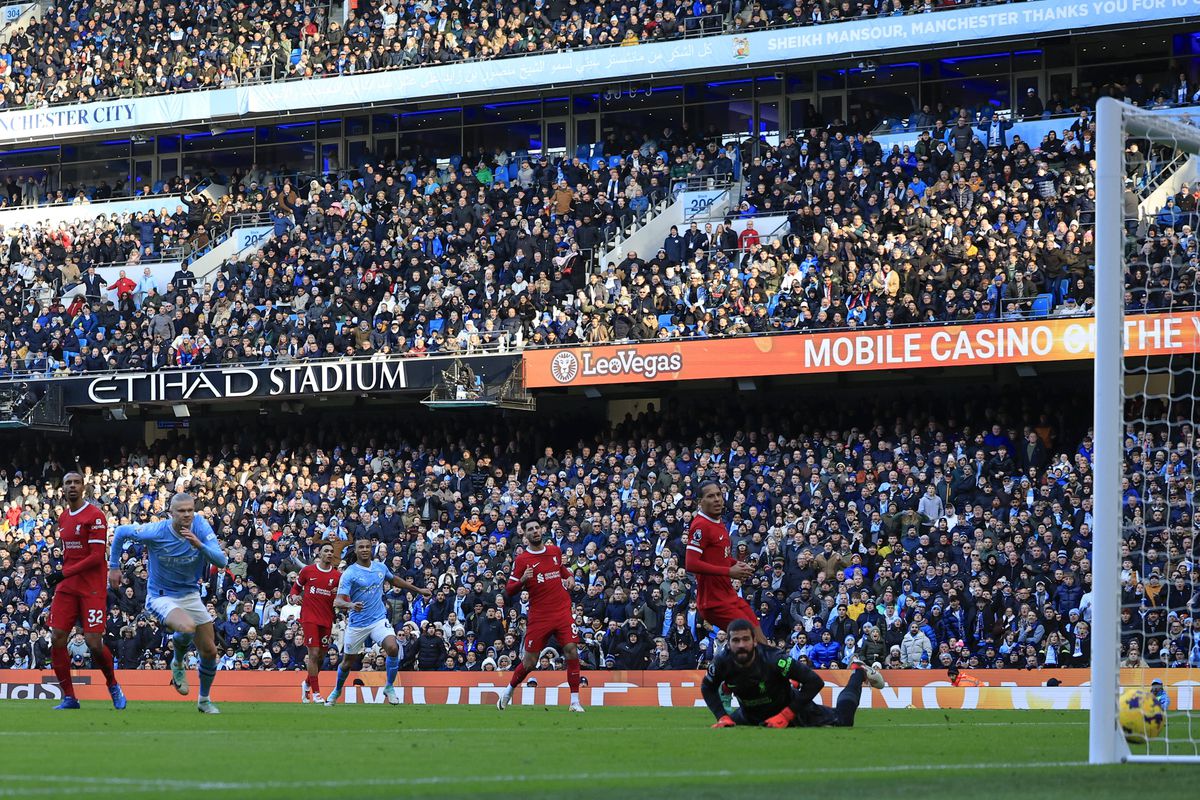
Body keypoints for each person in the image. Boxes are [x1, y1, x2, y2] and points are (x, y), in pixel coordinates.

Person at [107, 492, 228, 714]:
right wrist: (114, 566)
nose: (186, 515)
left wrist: (199, 544)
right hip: (161, 595)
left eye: (190, 510)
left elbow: (221, 561)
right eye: (181, 511)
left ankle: (203, 700)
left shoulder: (200, 526)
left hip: (190, 594)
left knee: (210, 651)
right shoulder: (156, 531)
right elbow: (121, 532)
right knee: (187, 626)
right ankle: (178, 663)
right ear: (171, 513)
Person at [701, 618, 885, 728]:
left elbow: (814, 682)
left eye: (745, 639)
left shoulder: (774, 658)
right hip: (750, 715)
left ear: (755, 641)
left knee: (844, 721)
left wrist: (785, 716)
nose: (741, 645)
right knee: (729, 726)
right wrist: (722, 716)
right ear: (729, 642)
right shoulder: (721, 661)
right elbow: (707, 687)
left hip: (793, 711)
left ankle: (857, 672)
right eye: (736, 640)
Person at [47, 471, 125, 710]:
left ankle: (112, 684)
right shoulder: (63, 518)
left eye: (76, 482)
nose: (72, 486)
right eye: (68, 483)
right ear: (63, 489)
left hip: (91, 587)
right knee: (56, 637)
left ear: (84, 487)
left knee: (93, 642)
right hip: (68, 587)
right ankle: (70, 697)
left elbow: (94, 558)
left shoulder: (95, 516)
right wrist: (64, 575)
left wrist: (63, 572)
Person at [325, 535, 430, 706]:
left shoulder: (380, 567)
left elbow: (394, 579)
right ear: (356, 550)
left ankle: (389, 686)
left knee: (393, 647)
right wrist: (350, 605)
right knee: (347, 662)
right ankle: (337, 690)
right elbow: (337, 601)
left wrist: (418, 589)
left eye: (367, 546)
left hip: (378, 620)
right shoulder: (350, 573)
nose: (365, 549)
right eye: (361, 547)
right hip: (357, 624)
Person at [497, 520, 584, 713]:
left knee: (571, 650)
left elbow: (560, 569)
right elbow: (509, 590)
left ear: (542, 530)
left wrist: (569, 576)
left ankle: (575, 701)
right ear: (525, 535)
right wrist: (523, 580)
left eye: (537, 528)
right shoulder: (522, 560)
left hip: (561, 611)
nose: (535, 531)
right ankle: (508, 691)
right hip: (539, 616)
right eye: (530, 529)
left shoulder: (554, 551)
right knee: (529, 663)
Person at [685, 482, 763, 642]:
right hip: (713, 601)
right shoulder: (700, 525)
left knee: (760, 638)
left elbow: (720, 556)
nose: (717, 499)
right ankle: (722, 666)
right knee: (747, 639)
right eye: (710, 496)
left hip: (728, 594)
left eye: (719, 495)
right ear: (700, 501)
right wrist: (729, 571)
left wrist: (735, 563)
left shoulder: (718, 521)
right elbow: (691, 563)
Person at [290, 540, 341, 704]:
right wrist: (294, 596)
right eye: (326, 551)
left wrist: (339, 595)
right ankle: (316, 693)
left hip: (326, 619)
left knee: (321, 657)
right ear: (319, 553)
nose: (329, 553)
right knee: (313, 654)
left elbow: (343, 596)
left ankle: (306, 683)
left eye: (331, 551)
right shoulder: (308, 571)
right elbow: (295, 588)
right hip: (309, 617)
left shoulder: (337, 576)